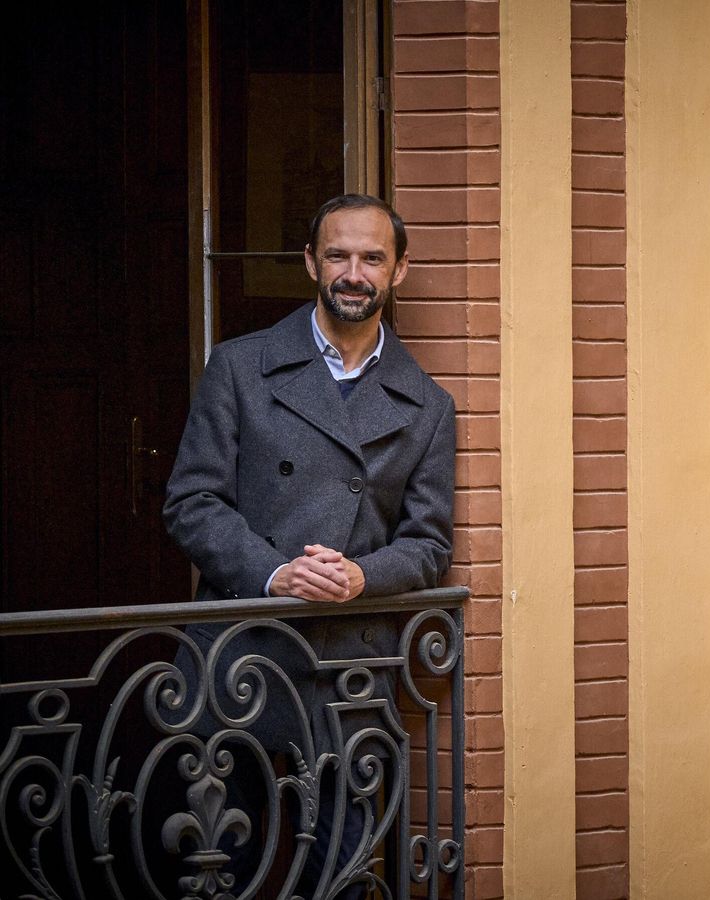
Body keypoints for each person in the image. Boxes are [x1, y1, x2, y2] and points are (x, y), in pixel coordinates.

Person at [164, 194, 455, 899]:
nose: (353, 273)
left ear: (399, 271)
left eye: (371, 258)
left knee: (344, 873)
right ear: (310, 263)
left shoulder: (427, 403)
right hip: (240, 654)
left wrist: (359, 575)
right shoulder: (239, 367)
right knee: (217, 870)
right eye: (337, 255)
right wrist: (276, 572)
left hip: (350, 667)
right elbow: (191, 502)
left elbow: (427, 543)